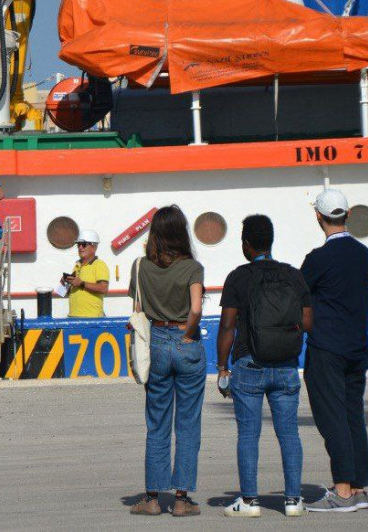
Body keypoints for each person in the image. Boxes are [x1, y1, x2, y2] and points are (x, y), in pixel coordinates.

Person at [216, 215, 312, 518]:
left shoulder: (238, 277)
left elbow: (227, 325)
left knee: (248, 435)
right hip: (285, 366)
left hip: (249, 365)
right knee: (289, 434)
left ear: (246, 244)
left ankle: (249, 502)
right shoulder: (294, 276)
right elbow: (308, 321)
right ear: (271, 241)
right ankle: (294, 501)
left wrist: (222, 367)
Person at [128, 205, 205, 517]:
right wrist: (187, 335)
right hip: (186, 343)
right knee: (187, 424)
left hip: (157, 342)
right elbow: (196, 308)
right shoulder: (192, 267)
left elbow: (137, 305)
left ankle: (152, 498)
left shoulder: (142, 266)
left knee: (157, 422)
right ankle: (182, 500)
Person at [301, 189, 368, 513]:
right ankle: (357, 486)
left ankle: (342, 491)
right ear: (346, 215)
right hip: (358, 347)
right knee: (352, 415)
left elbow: (299, 297)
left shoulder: (318, 259)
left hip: (327, 348)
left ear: (319, 217)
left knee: (332, 418)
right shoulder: (363, 253)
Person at [63, 229, 109, 318]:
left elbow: (104, 288)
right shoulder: (77, 265)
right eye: (78, 245)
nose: (80, 248)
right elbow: (63, 293)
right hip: (73, 317)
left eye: (83, 245)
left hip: (92, 319)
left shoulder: (99, 264)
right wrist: (64, 283)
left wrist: (81, 283)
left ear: (94, 246)